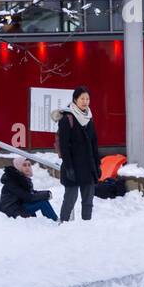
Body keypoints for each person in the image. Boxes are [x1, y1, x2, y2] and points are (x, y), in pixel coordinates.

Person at [55, 86, 99, 222]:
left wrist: (97, 165)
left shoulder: (89, 118)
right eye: (82, 98)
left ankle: (86, 228)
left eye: (87, 98)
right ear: (75, 100)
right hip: (72, 167)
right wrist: (69, 168)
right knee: (70, 199)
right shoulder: (67, 118)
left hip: (88, 167)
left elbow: (94, 144)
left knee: (88, 201)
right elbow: (64, 146)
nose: (85, 101)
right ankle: (63, 225)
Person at [0, 156, 57, 220]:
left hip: (19, 206)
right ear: (18, 166)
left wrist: (46, 193)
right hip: (11, 210)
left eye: (29, 165)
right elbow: (27, 196)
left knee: (40, 201)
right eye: (24, 165)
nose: (27, 167)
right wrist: (45, 195)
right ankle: (55, 222)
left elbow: (30, 193)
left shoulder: (22, 179)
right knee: (42, 203)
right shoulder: (12, 180)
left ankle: (52, 221)